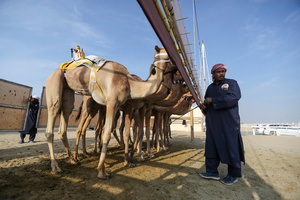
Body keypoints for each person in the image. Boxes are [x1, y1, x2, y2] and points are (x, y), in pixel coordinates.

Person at [199, 63, 245, 185]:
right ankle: (212, 172)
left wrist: (213, 100)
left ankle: (233, 175)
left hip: (229, 122)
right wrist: (203, 107)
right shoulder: (210, 88)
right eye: (218, 72)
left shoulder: (232, 83)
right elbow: (208, 108)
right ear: (213, 74)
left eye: (223, 71)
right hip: (213, 124)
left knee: (231, 147)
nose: (222, 74)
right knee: (211, 146)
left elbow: (234, 97)